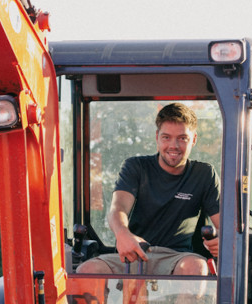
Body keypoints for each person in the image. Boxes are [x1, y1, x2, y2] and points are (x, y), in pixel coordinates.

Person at [79, 102, 220, 275]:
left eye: (182, 138)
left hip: (177, 259)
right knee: (88, 269)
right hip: (135, 253)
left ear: (194, 139)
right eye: (166, 137)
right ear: (157, 137)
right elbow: (118, 208)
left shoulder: (204, 174)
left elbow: (224, 224)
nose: (173, 146)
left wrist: (223, 240)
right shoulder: (136, 167)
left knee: (196, 267)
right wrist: (122, 234)